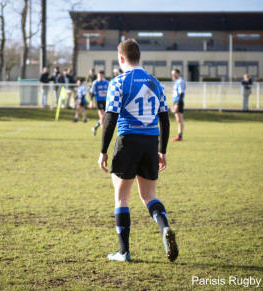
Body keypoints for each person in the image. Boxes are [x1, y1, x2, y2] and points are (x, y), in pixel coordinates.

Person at [98, 39, 177, 262]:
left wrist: (103, 150)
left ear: (121, 59)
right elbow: (165, 119)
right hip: (151, 143)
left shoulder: (118, 82)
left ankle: (123, 252)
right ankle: (165, 229)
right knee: (149, 196)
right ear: (138, 57)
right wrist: (163, 150)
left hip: (127, 142)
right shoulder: (155, 82)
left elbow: (110, 118)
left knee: (122, 198)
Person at [90, 70, 109, 136]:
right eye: (99, 75)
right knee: (102, 116)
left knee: (104, 117)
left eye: (101, 75)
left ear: (103, 75)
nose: (100, 76)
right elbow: (91, 92)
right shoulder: (95, 83)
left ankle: (95, 128)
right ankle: (104, 132)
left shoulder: (106, 82)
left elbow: (109, 91)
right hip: (98, 101)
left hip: (105, 101)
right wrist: (91, 102)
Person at [170, 69, 186, 142]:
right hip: (176, 101)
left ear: (179, 74)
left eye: (175, 74)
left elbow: (181, 93)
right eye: (172, 74)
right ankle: (179, 135)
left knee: (180, 119)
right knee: (178, 120)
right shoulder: (177, 81)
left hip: (178, 102)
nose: (173, 75)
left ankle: (180, 136)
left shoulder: (180, 81)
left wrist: (177, 104)